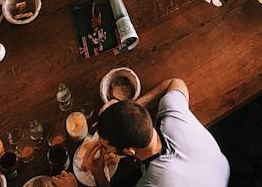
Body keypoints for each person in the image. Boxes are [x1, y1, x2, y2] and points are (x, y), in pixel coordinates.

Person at [75, 77, 230, 187]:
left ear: (129, 151)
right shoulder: (172, 116)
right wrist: (130, 110)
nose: (103, 148)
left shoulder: (153, 182)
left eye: (106, 146)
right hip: (220, 171)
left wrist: (99, 175)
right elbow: (175, 82)